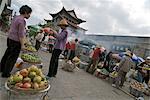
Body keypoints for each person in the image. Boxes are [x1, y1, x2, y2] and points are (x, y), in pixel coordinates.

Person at [0, 5, 32, 78]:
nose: (29, 15)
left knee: (7, 54)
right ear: (26, 12)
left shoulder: (16, 17)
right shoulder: (22, 21)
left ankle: (1, 68)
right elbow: (20, 34)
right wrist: (23, 45)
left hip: (10, 39)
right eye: (29, 13)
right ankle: (6, 73)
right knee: (12, 58)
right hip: (16, 41)